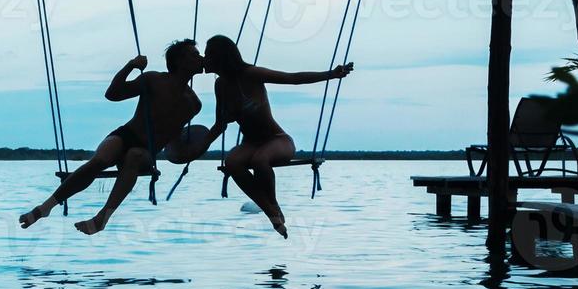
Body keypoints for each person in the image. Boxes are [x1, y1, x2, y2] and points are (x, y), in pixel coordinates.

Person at [19, 39, 204, 235]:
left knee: (133, 155)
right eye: (194, 55)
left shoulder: (193, 103)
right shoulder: (153, 80)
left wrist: (189, 151)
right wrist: (131, 65)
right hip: (126, 134)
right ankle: (45, 207)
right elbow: (113, 94)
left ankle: (102, 218)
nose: (200, 58)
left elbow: (173, 141)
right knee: (101, 159)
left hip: (146, 151)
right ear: (179, 61)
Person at [189, 34, 353, 238]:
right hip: (251, 143)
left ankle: (272, 208)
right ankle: (271, 210)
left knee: (260, 160)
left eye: (209, 53)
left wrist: (331, 74)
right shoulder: (220, 85)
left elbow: (292, 79)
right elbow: (219, 124)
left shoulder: (251, 74)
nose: (205, 58)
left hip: (277, 140)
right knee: (232, 162)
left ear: (222, 57)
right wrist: (195, 150)